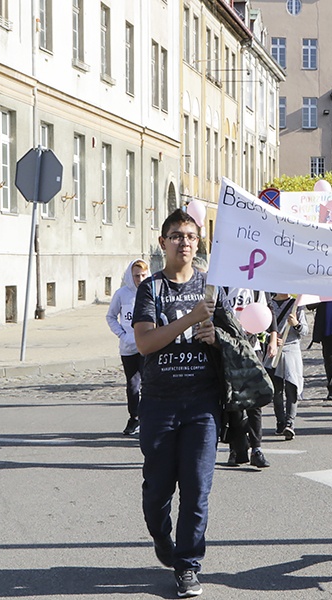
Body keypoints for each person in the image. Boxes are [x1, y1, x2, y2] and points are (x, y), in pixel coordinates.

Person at [132, 210, 224, 598]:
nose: (183, 242)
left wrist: (216, 336)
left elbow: (234, 340)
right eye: (175, 236)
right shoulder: (150, 289)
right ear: (163, 243)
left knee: (197, 489)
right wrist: (189, 321)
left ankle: (188, 566)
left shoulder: (211, 287)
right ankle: (161, 536)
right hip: (159, 404)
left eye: (189, 236)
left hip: (203, 404)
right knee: (157, 491)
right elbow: (145, 343)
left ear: (198, 242)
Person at [221, 287, 277, 469]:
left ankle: (257, 449)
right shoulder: (224, 285)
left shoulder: (257, 287)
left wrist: (273, 339)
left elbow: (268, 312)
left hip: (253, 350)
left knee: (256, 402)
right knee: (235, 402)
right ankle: (237, 448)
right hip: (230, 350)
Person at [106, 259, 149, 435]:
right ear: (130, 276)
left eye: (143, 275)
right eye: (136, 276)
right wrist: (123, 336)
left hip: (148, 346)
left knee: (149, 383)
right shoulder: (122, 294)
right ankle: (134, 417)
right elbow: (110, 317)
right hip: (129, 347)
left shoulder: (152, 291)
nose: (140, 279)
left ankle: (149, 417)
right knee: (133, 385)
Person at [264, 293, 307, 440]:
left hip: (291, 350)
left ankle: (290, 423)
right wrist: (272, 339)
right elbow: (262, 326)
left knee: (291, 387)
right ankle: (280, 422)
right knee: (276, 391)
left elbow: (305, 331)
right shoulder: (268, 304)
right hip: (274, 352)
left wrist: (296, 324)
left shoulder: (296, 305)